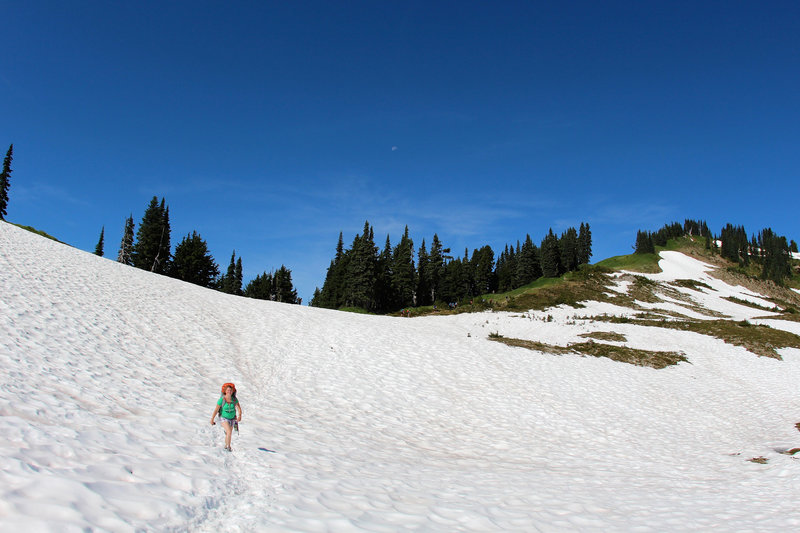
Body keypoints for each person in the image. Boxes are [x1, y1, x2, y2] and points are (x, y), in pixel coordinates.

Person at [210, 383, 242, 451]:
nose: (229, 392)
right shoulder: (222, 400)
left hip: (232, 418)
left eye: (230, 390)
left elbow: (239, 408)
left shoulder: (234, 399)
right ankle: (228, 446)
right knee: (229, 431)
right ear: (225, 391)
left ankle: (226, 445)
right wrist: (212, 419)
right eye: (228, 390)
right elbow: (216, 409)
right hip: (224, 418)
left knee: (228, 433)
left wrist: (240, 416)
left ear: (232, 391)